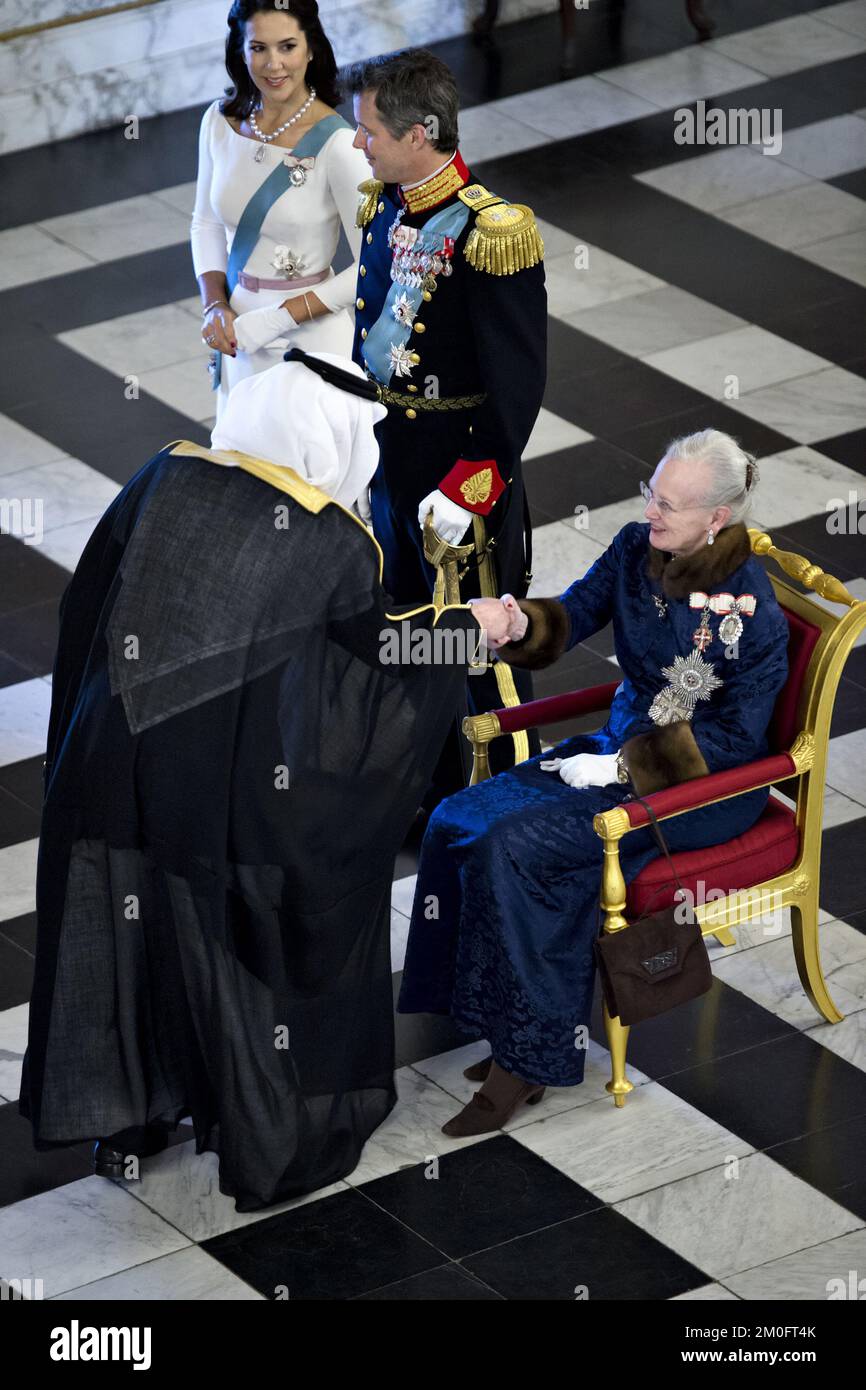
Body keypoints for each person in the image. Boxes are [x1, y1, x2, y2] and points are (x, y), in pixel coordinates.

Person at [18, 350, 499, 1212]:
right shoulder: (328, 538)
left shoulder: (164, 472)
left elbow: (85, 602)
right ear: (329, 440)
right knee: (228, 948)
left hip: (102, 761)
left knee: (125, 928)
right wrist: (468, 629)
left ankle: (127, 1119)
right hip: (213, 788)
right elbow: (377, 662)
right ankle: (265, 1144)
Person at [397, 429, 790, 1136]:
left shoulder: (748, 612)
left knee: (518, 848)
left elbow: (734, 743)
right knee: (458, 816)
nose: (650, 512)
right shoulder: (637, 548)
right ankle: (490, 1014)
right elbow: (574, 613)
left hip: (699, 790)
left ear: (716, 519)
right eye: (650, 493)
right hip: (615, 753)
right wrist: (518, 620)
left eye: (668, 505)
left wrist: (621, 768)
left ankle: (530, 1058)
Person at [346, 48, 548, 804]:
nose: (358, 143)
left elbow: (517, 387)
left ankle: (507, 799)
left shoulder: (491, 233)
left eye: (370, 130)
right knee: (407, 630)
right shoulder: (383, 206)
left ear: (419, 133)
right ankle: (430, 789)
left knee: (477, 646)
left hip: (459, 476)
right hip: (392, 464)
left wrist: (470, 487)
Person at [191, 0, 369, 418]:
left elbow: (372, 265)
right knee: (241, 455)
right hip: (237, 335)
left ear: (311, 49)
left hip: (311, 340)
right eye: (259, 48)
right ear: (241, 51)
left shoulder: (339, 144)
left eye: (287, 46)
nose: (274, 65)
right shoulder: (218, 121)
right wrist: (215, 305)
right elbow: (205, 224)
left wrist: (280, 319)